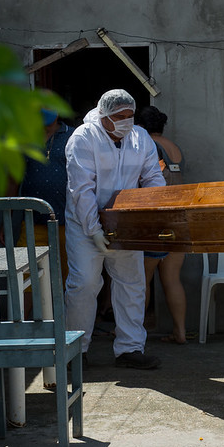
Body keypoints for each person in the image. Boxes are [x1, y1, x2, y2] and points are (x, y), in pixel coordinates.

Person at [64, 89, 165, 369]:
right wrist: (94, 230)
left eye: (130, 116)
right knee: (84, 284)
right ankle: (76, 351)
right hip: (85, 226)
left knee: (131, 285)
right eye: (119, 117)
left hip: (124, 225)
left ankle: (130, 349)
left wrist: (152, 214)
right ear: (104, 116)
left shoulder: (140, 137)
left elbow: (153, 177)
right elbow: (81, 189)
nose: (126, 122)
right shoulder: (83, 138)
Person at [1, 109, 74, 291]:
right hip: (32, 222)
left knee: (70, 279)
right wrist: (6, 219)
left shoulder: (73, 136)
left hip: (69, 224)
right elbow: (13, 179)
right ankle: (24, 319)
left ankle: (67, 320)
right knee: (25, 278)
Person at [135, 106, 188, 344]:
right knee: (172, 279)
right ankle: (180, 331)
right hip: (179, 218)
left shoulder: (149, 146)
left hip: (157, 219)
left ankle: (136, 333)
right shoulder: (174, 147)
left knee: (141, 280)